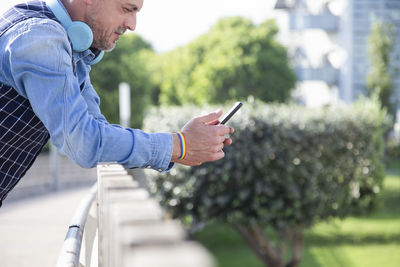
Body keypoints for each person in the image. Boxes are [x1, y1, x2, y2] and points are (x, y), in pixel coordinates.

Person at [0, 0, 234, 206]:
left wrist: (181, 146)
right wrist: (179, 145)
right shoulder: (40, 38)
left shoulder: (71, 48)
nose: (132, 24)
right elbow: (84, 142)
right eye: (126, 9)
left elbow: (99, 130)